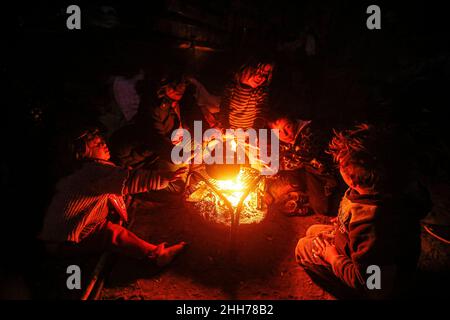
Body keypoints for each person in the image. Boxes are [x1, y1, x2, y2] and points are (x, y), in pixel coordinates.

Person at [295, 123, 432, 298]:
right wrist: (344, 226)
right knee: (313, 231)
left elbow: (371, 282)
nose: (339, 167)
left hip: (375, 284)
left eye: (342, 166)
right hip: (371, 254)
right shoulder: (392, 189)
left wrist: (332, 257)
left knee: (303, 247)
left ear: (352, 179)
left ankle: (350, 296)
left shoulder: (372, 223)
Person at [40, 127, 187, 267]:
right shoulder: (93, 172)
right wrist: (165, 178)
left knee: (111, 225)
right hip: (64, 240)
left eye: (101, 140)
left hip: (65, 233)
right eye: (97, 144)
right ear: (83, 152)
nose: (103, 143)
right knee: (112, 233)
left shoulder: (84, 171)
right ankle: (157, 255)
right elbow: (130, 180)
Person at [267, 116, 336, 216]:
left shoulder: (309, 133)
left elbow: (298, 159)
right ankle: (303, 191)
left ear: (294, 121)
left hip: (324, 172)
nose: (284, 134)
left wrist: (271, 166)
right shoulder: (289, 138)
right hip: (306, 167)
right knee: (278, 186)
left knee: (321, 209)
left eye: (287, 126)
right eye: (278, 132)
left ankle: (318, 196)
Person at [219, 58, 274, 130]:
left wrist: (254, 131)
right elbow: (224, 107)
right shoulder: (231, 87)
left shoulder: (260, 92)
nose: (260, 77)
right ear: (244, 68)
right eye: (257, 72)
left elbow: (261, 113)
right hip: (231, 129)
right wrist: (226, 127)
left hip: (249, 131)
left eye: (265, 74)